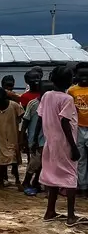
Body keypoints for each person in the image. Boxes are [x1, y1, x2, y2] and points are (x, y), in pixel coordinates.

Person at [39, 66, 83, 225]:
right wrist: (74, 146)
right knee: (70, 176)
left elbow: (41, 116)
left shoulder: (46, 96)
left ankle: (50, 211)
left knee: (53, 175)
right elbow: (65, 122)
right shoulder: (67, 99)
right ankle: (71, 216)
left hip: (50, 141)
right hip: (65, 142)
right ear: (70, 81)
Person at [0, 87, 24, 188]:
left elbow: (23, 117)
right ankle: (2, 180)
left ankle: (17, 179)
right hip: (0, 137)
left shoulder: (14, 106)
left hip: (13, 136)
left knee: (14, 159)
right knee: (2, 160)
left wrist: (22, 135)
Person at [22, 82, 49, 196]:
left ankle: (36, 182)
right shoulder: (33, 104)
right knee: (34, 162)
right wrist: (23, 138)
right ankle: (26, 182)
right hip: (35, 139)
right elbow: (25, 121)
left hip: (47, 140)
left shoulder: (50, 104)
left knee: (43, 163)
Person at [69, 63, 88, 197]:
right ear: (76, 76)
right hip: (78, 127)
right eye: (81, 75)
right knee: (81, 158)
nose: (84, 78)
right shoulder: (72, 91)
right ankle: (83, 186)